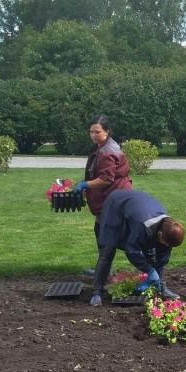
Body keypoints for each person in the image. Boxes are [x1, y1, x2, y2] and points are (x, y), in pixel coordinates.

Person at [89, 189, 185, 306]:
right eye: (166, 243)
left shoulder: (168, 228)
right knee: (108, 250)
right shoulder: (142, 225)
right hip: (115, 205)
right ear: (159, 234)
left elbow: (162, 256)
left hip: (137, 207)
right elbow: (132, 251)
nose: (166, 246)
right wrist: (150, 270)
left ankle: (161, 288)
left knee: (157, 249)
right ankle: (97, 292)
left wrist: (157, 279)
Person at [71, 115, 133, 274]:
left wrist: (85, 184)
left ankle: (105, 270)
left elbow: (106, 179)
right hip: (112, 196)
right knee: (101, 230)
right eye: (91, 132)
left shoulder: (107, 151)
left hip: (114, 197)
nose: (93, 135)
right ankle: (104, 268)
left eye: (97, 132)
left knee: (105, 233)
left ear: (107, 131)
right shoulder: (104, 146)